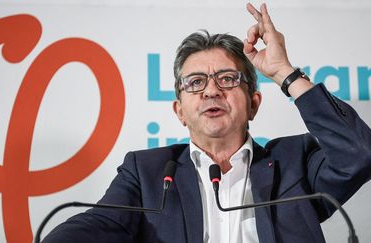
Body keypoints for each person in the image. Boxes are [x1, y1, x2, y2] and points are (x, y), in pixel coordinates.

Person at [42, 3, 371, 243]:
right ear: (180, 111)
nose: (212, 90)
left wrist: (285, 73)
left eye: (227, 79)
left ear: (254, 104)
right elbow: (98, 224)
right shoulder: (146, 172)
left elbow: (359, 153)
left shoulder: (294, 162)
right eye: (196, 82)